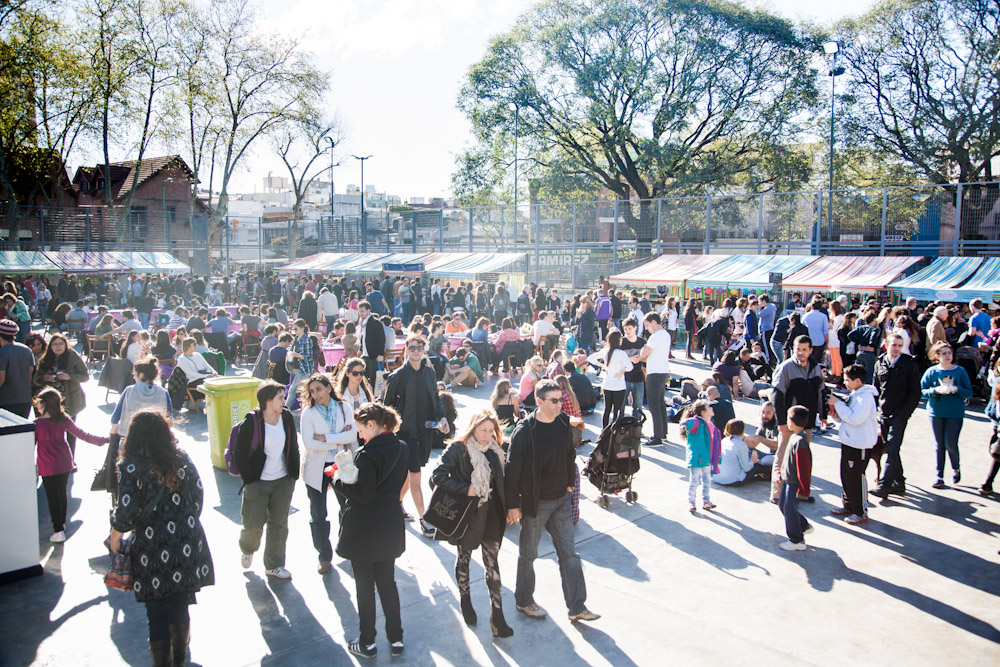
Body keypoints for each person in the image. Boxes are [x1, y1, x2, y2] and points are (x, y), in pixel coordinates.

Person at [108, 410, 214, 666]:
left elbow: (127, 509)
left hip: (150, 545)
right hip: (186, 540)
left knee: (155, 612)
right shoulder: (181, 458)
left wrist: (115, 535)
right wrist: (182, 521)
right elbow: (198, 494)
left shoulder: (130, 465)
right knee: (180, 604)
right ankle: (179, 661)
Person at [505, 379, 598, 623]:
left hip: (561, 501)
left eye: (561, 399)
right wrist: (513, 505)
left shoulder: (562, 423)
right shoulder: (525, 430)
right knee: (528, 554)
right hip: (536, 503)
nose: (560, 405)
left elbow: (570, 455)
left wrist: (569, 484)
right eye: (554, 401)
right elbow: (512, 470)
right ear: (539, 401)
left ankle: (577, 606)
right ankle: (524, 600)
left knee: (570, 555)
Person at [430, 410, 514, 638]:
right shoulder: (459, 449)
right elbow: (437, 475)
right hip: (468, 515)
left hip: (492, 514)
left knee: (492, 563)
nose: (487, 436)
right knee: (464, 558)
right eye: (482, 431)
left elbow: (505, 481)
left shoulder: (497, 449)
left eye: (490, 431)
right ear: (472, 429)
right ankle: (465, 600)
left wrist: (511, 508)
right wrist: (464, 488)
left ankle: (497, 615)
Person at [335, 402, 409, 659]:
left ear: (371, 424)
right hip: (389, 524)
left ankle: (367, 642)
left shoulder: (366, 455)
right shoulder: (401, 448)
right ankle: (396, 638)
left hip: (365, 530)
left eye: (361, 429)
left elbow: (362, 494)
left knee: (365, 588)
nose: (359, 435)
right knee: (387, 583)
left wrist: (337, 480)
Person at [382, 334, 449, 536]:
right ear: (407, 350)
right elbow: (387, 406)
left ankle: (396, 504)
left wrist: (443, 417)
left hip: (425, 431)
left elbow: (436, 398)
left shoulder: (429, 372)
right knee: (416, 477)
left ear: (424, 350)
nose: (416, 351)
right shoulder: (398, 376)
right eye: (412, 348)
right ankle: (425, 520)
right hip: (406, 434)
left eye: (420, 347)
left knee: (409, 475)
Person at [234, 381, 300, 579]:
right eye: (280, 397)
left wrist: (293, 476)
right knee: (253, 525)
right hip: (258, 482)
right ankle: (247, 548)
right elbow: (240, 454)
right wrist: (250, 480)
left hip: (283, 481)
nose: (284, 400)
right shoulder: (252, 422)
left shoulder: (286, 417)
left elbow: (293, 446)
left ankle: (274, 565)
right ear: (267, 401)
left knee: (278, 525)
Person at [33, 387, 109, 543]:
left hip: (47, 465)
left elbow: (30, 446)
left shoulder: (36, 424)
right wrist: (102, 440)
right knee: (62, 494)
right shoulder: (63, 419)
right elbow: (82, 434)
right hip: (64, 462)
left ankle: (58, 530)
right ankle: (61, 523)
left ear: (43, 404)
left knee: (52, 497)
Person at [299, 372, 357, 574]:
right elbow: (308, 443)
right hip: (316, 467)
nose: (316, 394)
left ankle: (347, 545)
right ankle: (324, 555)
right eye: (312, 391)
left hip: (340, 465)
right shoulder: (308, 413)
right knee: (318, 513)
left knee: (347, 507)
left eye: (319, 389)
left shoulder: (343, 408)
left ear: (329, 388)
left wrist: (324, 438)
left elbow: (352, 434)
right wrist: (338, 438)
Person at [770, 336, 825, 504]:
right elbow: (776, 395)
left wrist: (823, 416)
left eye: (804, 350)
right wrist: (781, 422)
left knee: (803, 459)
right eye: (797, 349)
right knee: (782, 456)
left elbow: (821, 392)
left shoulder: (816, 368)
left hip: (807, 422)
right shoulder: (785, 367)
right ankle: (777, 494)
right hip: (790, 423)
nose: (800, 353)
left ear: (810, 350)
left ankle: (803, 493)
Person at [870, 333, 921, 498]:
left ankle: (884, 485)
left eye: (900, 345)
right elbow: (875, 389)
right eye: (894, 345)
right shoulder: (880, 362)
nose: (897, 348)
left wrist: (904, 414)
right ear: (887, 344)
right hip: (884, 414)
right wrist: (875, 412)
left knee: (892, 449)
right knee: (892, 449)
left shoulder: (909, 364)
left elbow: (915, 393)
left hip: (899, 415)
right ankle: (899, 482)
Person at [825, 364, 878, 524]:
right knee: (846, 475)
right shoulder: (855, 395)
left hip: (860, 444)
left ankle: (860, 511)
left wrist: (839, 404)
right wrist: (835, 414)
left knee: (856, 477)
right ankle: (848, 505)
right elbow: (846, 417)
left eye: (848, 380)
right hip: (849, 442)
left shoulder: (866, 397)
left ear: (858, 381)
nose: (845, 383)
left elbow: (855, 419)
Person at [921, 342, 972, 488]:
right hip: (936, 411)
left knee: (951, 443)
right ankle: (939, 475)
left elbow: (969, 392)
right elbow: (921, 391)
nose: (948, 356)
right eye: (944, 353)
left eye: (949, 353)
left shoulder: (960, 371)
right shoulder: (932, 372)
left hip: (955, 412)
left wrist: (957, 389)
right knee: (939, 444)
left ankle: (956, 467)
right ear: (937, 356)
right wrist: (934, 391)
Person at [33, 332, 89, 452]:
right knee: (51, 432)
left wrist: (69, 376)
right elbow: (36, 380)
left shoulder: (73, 357)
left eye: (61, 344)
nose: (58, 347)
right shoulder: (45, 359)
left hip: (70, 399)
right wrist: (44, 378)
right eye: (55, 344)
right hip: (50, 402)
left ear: (65, 344)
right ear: (50, 346)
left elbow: (85, 376)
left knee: (71, 431)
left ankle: (70, 458)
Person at [777, 406, 813, 551]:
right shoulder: (794, 437)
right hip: (787, 479)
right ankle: (803, 525)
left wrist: (804, 489)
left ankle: (797, 540)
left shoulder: (800, 441)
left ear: (791, 421)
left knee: (789, 508)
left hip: (794, 483)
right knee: (783, 506)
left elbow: (804, 468)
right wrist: (781, 472)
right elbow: (787, 459)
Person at [680, 400, 720, 512]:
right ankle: (691, 502)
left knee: (707, 480)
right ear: (703, 412)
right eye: (709, 407)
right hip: (697, 458)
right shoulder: (697, 422)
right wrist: (683, 426)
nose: (712, 408)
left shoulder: (709, 424)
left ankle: (706, 501)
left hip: (706, 458)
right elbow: (687, 423)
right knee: (694, 481)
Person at [638, 312, 671, 446]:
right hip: (663, 372)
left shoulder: (655, 336)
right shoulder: (666, 335)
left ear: (653, 322)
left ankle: (657, 436)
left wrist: (642, 352)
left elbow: (643, 354)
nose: (646, 328)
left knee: (654, 405)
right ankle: (663, 433)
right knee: (660, 404)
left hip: (654, 373)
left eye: (647, 325)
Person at [591, 330, 632, 428]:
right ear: (618, 340)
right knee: (617, 411)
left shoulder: (606, 351)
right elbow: (630, 367)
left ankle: (604, 431)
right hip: (619, 386)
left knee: (606, 410)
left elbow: (590, 358)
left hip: (607, 385)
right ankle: (614, 431)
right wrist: (622, 371)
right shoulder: (621, 353)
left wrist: (603, 366)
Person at [712, 419, 772, 486]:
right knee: (757, 467)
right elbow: (747, 468)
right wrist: (753, 461)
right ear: (742, 430)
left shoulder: (724, 441)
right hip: (733, 480)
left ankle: (762, 476)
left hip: (717, 478)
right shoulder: (741, 444)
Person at [0, 319, 34, 418]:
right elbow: (29, 377)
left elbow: (0, 380)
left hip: (6, 402)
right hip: (25, 400)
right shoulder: (27, 350)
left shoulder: (2, 353)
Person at [284, 319, 316, 410]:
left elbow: (309, 357)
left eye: (296, 329)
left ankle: (286, 409)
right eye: (293, 329)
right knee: (301, 390)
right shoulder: (296, 339)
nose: (294, 331)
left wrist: (297, 355)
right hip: (298, 369)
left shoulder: (307, 340)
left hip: (305, 369)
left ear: (302, 328)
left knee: (293, 390)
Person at [620, 318, 646, 419]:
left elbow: (647, 359)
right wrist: (630, 359)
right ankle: (619, 428)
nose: (627, 331)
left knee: (638, 406)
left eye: (630, 329)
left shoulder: (642, 342)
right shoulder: (621, 342)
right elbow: (617, 359)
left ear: (635, 328)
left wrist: (640, 359)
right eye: (625, 329)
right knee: (620, 406)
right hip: (624, 378)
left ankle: (637, 428)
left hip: (638, 378)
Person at [358, 301, 386, 389]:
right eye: (360, 311)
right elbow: (362, 337)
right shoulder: (362, 322)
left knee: (374, 377)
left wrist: (381, 354)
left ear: (368, 310)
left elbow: (382, 339)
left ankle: (374, 395)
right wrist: (361, 349)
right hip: (365, 354)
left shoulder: (375, 323)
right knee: (363, 376)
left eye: (362, 311)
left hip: (374, 354)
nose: (361, 314)